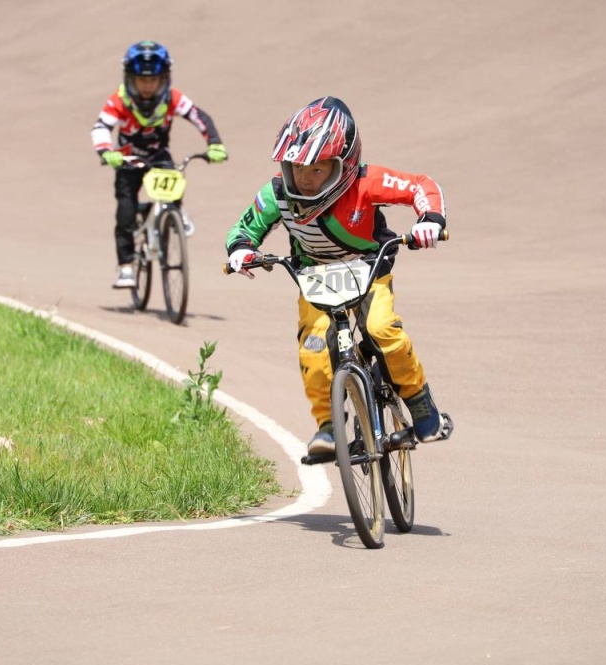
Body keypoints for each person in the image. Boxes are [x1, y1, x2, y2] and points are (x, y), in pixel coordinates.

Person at [225, 96, 447, 457]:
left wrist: (430, 220)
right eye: (297, 167)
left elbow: (420, 186)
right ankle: (328, 426)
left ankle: (419, 399)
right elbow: (243, 228)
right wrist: (240, 250)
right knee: (313, 349)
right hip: (313, 276)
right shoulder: (277, 194)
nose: (305, 178)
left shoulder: (366, 182)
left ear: (343, 166)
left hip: (369, 269)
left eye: (318, 169)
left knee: (382, 330)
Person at [91, 40, 228, 289]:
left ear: (163, 78)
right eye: (141, 80)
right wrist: (105, 151)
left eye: (153, 80)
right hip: (127, 158)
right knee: (125, 211)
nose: (147, 86)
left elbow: (199, 117)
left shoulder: (173, 98)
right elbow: (102, 126)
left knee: (175, 178)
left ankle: (174, 211)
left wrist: (214, 144)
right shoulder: (119, 100)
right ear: (130, 79)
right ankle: (125, 268)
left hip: (158, 156)